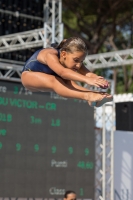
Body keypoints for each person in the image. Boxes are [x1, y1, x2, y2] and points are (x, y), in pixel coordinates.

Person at [21, 37, 113, 107]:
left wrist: (98, 79)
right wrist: (88, 80)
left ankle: (95, 96)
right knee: (57, 79)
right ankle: (88, 96)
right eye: (76, 60)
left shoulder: (75, 60)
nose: (79, 65)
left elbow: (88, 74)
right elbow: (62, 72)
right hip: (28, 76)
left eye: (81, 61)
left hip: (47, 78)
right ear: (64, 54)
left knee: (69, 81)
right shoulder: (50, 55)